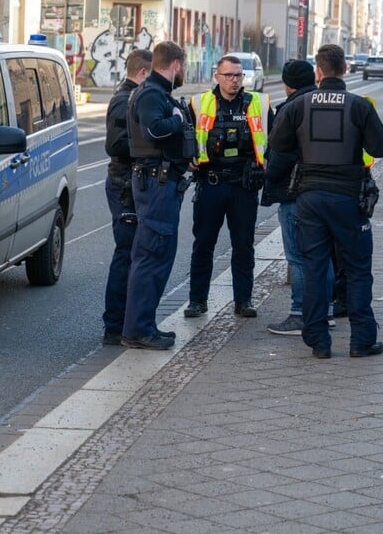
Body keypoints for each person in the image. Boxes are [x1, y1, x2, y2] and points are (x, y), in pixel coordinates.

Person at [267, 44, 383, 359]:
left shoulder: (299, 105)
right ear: (345, 70)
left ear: (318, 72)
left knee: (314, 266)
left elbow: (277, 144)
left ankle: (318, 342)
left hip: (309, 197)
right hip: (348, 198)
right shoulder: (359, 105)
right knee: (358, 269)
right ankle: (361, 341)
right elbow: (380, 147)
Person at [183, 55, 271, 320]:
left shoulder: (258, 103)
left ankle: (243, 301)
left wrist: (265, 164)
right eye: (229, 75)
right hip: (211, 183)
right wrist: (187, 159)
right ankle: (197, 301)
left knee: (243, 245)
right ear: (217, 76)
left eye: (238, 75)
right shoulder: (199, 103)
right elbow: (184, 137)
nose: (234, 80)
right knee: (203, 245)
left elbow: (275, 140)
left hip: (244, 185)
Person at [121, 40, 196, 349]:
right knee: (152, 255)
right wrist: (178, 119)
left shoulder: (158, 93)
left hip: (162, 181)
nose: (184, 71)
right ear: (175, 65)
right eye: (184, 66)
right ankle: (138, 330)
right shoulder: (151, 94)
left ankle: (145, 325)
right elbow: (154, 130)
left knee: (158, 255)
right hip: (156, 184)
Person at [262, 60, 318, 334]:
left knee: (297, 256)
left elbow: (281, 153)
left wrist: (268, 174)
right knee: (320, 255)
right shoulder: (324, 103)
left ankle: (299, 313)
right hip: (322, 190)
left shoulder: (290, 108)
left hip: (294, 191)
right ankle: (324, 311)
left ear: (288, 84)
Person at [101, 48, 153, 345]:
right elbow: (116, 144)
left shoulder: (134, 97)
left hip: (130, 182)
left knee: (135, 254)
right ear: (143, 73)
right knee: (127, 254)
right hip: (124, 184)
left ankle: (126, 322)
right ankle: (115, 325)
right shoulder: (125, 100)